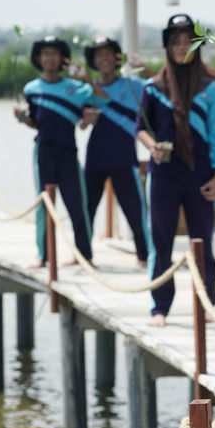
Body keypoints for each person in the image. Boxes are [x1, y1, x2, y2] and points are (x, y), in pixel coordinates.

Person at [136, 14, 215, 328]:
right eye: (176, 42)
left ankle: (207, 305)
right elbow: (140, 129)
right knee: (161, 245)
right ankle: (159, 308)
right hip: (164, 177)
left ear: (196, 47)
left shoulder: (208, 88)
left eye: (188, 42)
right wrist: (153, 146)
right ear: (167, 47)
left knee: (203, 246)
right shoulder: (153, 87)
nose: (182, 47)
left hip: (201, 179)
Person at [14, 35, 108, 268]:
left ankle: (84, 256)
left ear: (62, 59)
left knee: (77, 204)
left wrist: (87, 84)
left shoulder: (77, 89)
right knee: (44, 204)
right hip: (44, 151)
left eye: (54, 53)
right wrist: (22, 119)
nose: (50, 58)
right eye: (45, 53)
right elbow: (35, 121)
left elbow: (102, 103)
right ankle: (43, 255)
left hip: (68, 152)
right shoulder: (32, 89)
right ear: (39, 58)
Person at [78, 36, 152, 268]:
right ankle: (83, 256)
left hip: (123, 155)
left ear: (117, 58)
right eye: (99, 55)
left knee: (134, 208)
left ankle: (144, 256)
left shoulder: (133, 85)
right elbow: (81, 122)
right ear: (93, 60)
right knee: (86, 207)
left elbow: (161, 84)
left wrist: (142, 67)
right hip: (96, 155)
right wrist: (84, 120)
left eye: (108, 54)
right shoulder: (86, 90)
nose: (104, 59)